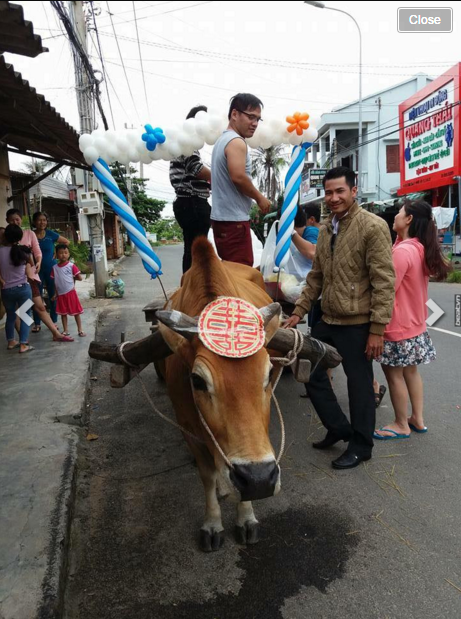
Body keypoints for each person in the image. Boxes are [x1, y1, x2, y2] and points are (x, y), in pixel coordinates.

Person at [284, 167, 395, 470]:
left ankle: (361, 446)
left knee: (359, 385)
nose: (333, 198)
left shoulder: (372, 227)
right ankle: (337, 427)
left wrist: (377, 329)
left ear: (354, 191)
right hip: (328, 319)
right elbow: (316, 277)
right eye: (329, 192)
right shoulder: (324, 230)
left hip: (358, 323)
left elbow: (384, 281)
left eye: (340, 191)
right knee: (309, 371)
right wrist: (297, 312)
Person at [374, 201, 450, 440]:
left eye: (399, 212)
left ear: (408, 220)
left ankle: (400, 424)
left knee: (394, 375)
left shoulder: (402, 252)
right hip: (415, 325)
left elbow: (387, 290)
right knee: (411, 373)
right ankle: (416, 419)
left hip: (397, 326)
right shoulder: (417, 247)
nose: (395, 216)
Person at [211, 93, 271, 266]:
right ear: (235, 114)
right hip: (233, 222)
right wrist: (259, 198)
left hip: (223, 220)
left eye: (258, 119)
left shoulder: (222, 141)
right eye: (251, 117)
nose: (255, 123)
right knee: (241, 276)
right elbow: (238, 177)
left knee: (231, 272)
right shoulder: (236, 142)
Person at [5, 209, 72, 343]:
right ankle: (22, 339)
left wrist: (39, 261)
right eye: (12, 220)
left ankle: (55, 332)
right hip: (13, 280)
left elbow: (37, 251)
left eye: (17, 219)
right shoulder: (5, 238)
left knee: (40, 305)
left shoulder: (29, 234)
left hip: (30, 277)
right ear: (7, 221)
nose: (15, 222)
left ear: (21, 219)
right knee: (20, 310)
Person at [170, 105, 212, 274]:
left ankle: (189, 287)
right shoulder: (188, 143)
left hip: (185, 202)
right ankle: (195, 288)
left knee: (191, 249)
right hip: (193, 202)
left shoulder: (181, 143)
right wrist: (219, 177)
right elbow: (196, 169)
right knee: (198, 250)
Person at [32, 211, 69, 331]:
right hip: (36, 271)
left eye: (44, 220)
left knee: (53, 295)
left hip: (52, 270)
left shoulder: (50, 234)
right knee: (36, 296)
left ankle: (54, 321)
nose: (42, 222)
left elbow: (66, 242)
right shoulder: (31, 235)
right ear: (34, 221)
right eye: (39, 220)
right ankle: (37, 323)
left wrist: (56, 252)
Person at [0, 225, 34, 353]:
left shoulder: (0, 251)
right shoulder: (24, 251)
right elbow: (31, 263)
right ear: (20, 237)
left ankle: (10, 341)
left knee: (10, 316)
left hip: (6, 290)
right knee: (25, 315)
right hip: (23, 289)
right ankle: (23, 344)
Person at [51, 244, 85, 338]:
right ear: (56, 254)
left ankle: (80, 330)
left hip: (70, 292)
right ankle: (65, 330)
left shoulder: (71, 266)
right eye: (61, 253)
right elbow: (55, 282)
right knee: (63, 313)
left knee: (76, 312)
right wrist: (55, 293)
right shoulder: (55, 268)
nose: (63, 255)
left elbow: (79, 277)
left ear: (69, 254)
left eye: (65, 253)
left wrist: (74, 277)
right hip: (60, 294)